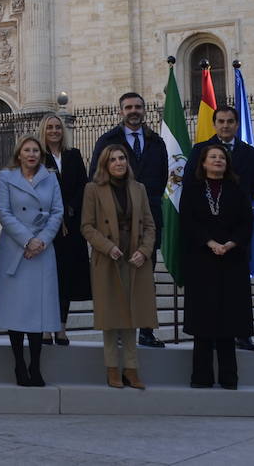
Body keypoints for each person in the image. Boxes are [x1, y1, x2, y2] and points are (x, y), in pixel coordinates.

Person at [89, 92, 167, 348]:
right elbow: (95, 178)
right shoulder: (107, 140)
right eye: (128, 107)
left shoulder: (157, 142)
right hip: (115, 225)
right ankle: (121, 329)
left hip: (147, 220)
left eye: (138, 107)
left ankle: (146, 330)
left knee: (145, 278)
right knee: (117, 280)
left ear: (144, 110)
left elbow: (162, 178)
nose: (134, 111)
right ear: (120, 111)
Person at [187, 105, 254, 352]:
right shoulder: (201, 150)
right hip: (207, 233)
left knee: (237, 289)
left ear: (237, 124)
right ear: (214, 124)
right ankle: (209, 334)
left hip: (235, 231)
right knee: (208, 291)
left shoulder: (248, 152)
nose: (225, 125)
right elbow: (190, 183)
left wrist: (235, 208)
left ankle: (243, 334)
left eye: (230, 121)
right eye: (220, 121)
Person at [82, 144, 157, 389]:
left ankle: (132, 370)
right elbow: (87, 226)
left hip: (134, 257)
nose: (118, 163)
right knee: (111, 317)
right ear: (105, 164)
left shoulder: (139, 188)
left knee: (133, 314)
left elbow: (150, 225)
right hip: (109, 258)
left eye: (122, 158)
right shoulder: (93, 189)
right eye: (113, 159)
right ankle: (112, 368)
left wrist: (144, 251)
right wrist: (107, 247)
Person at [0, 136, 64, 387]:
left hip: (42, 250)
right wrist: (27, 240)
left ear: (40, 154)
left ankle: (35, 364)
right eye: (27, 150)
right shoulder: (5, 177)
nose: (31, 154)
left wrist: (41, 240)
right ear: (19, 154)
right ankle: (19, 363)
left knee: (37, 310)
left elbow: (57, 212)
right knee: (17, 309)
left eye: (35, 150)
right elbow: (3, 211)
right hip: (16, 248)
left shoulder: (50, 178)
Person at [181, 145, 254, 390]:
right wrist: (210, 243)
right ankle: (201, 376)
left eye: (222, 157)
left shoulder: (237, 189)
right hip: (201, 260)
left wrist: (231, 243)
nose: (217, 160)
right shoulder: (192, 190)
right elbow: (188, 222)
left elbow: (247, 223)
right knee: (203, 320)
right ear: (203, 163)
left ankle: (229, 377)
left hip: (232, 261)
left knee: (229, 320)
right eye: (212, 157)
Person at [39, 114, 90, 345]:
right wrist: (54, 212)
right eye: (49, 127)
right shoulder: (39, 157)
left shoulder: (73, 155)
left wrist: (70, 207)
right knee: (48, 279)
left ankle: (61, 327)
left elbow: (83, 185)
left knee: (66, 278)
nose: (54, 131)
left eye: (57, 127)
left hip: (71, 224)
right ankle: (45, 328)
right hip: (47, 225)